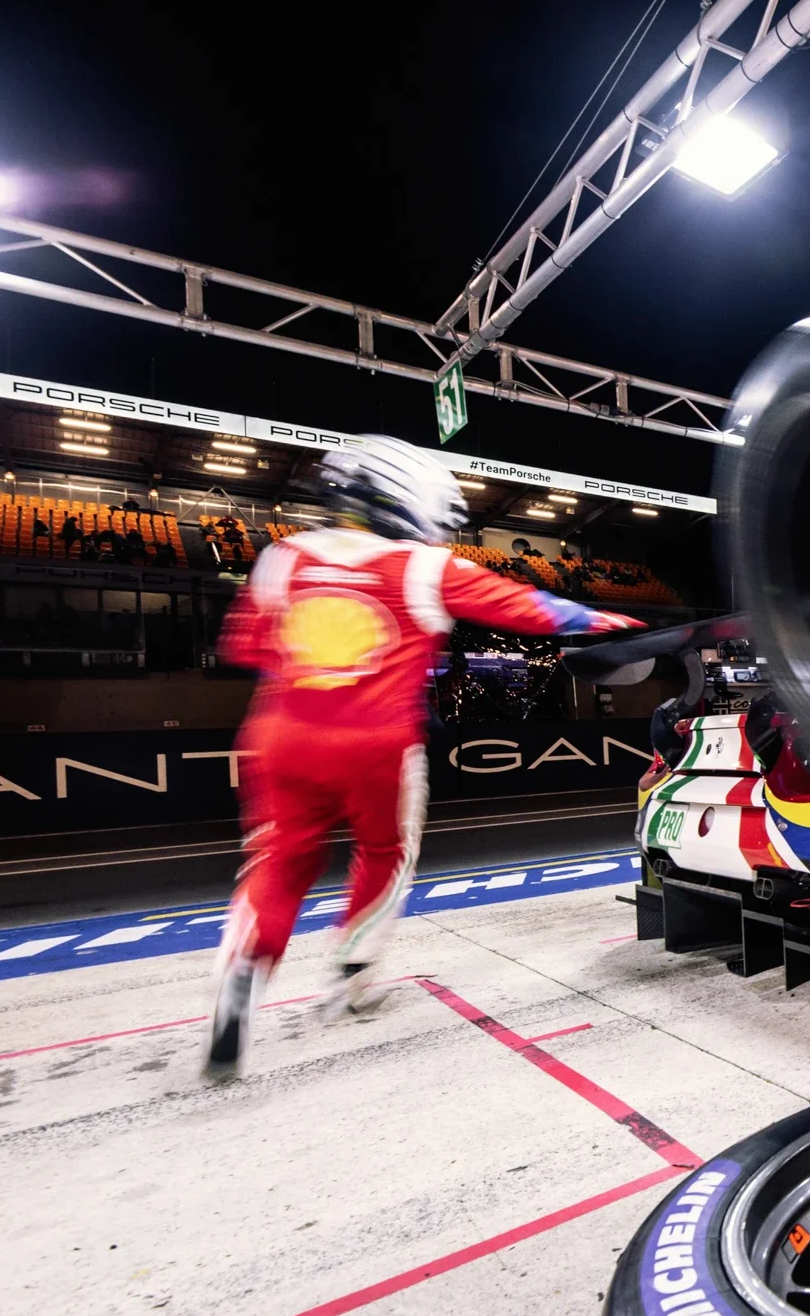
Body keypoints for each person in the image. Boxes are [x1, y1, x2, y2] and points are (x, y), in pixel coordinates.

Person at [201, 436, 642, 1081]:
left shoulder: (280, 558)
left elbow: (248, 651)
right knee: (385, 852)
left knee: (276, 863)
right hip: (377, 743)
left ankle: (240, 976)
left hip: (281, 738)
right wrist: (620, 628)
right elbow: (533, 609)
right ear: (407, 500)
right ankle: (356, 972)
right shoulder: (422, 566)